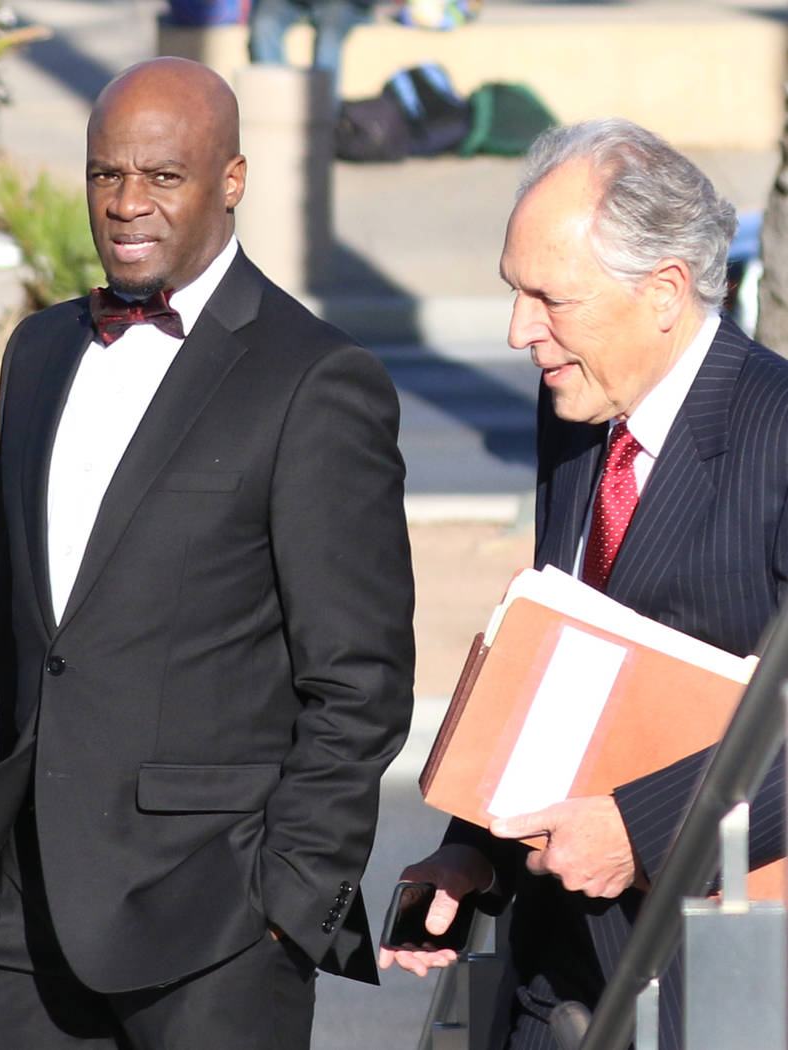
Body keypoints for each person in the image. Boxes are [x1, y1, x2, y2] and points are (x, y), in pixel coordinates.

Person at [0, 57, 415, 1050]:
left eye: (163, 176)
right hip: (17, 934)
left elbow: (359, 681)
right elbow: (14, 661)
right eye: (105, 174)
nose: (127, 203)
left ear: (231, 180)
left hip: (215, 938)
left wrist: (287, 909)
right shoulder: (38, 353)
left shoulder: (315, 380)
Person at [379, 117, 788, 1050]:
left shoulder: (776, 432)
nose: (523, 331)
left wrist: (640, 831)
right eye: (513, 293)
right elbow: (557, 650)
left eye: (550, 298)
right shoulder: (576, 403)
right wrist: (473, 849)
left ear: (665, 293)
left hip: (710, 991)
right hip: (548, 985)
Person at [248, 0, 373, 99]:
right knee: (265, 25)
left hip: (341, 4)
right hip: (291, 3)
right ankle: (278, 107)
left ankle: (324, 117)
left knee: (328, 40)